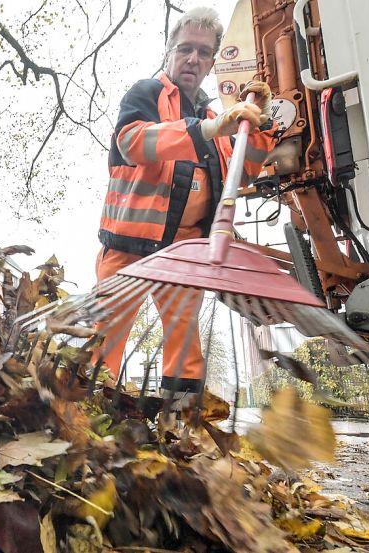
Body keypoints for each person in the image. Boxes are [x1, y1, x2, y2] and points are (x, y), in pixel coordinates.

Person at [95, 7, 276, 402]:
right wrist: (209, 129)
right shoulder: (147, 93)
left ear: (212, 62)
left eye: (203, 52)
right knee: (107, 330)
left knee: (184, 337)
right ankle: (87, 409)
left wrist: (258, 125)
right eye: (185, 49)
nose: (193, 59)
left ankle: (180, 419)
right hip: (129, 245)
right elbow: (133, 142)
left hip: (183, 252)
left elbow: (244, 171)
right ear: (169, 52)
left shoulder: (216, 114)